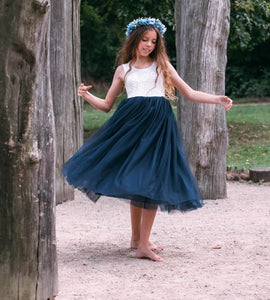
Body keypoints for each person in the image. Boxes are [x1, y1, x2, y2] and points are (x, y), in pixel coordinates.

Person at [62, 17, 233, 262]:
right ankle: (137, 241)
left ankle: (142, 242)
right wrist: (86, 96)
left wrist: (218, 99)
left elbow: (190, 92)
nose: (149, 45)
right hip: (131, 128)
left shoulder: (161, 65)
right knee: (138, 181)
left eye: (153, 41)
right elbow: (107, 105)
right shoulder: (124, 70)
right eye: (145, 40)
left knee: (151, 180)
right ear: (134, 40)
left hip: (158, 129)